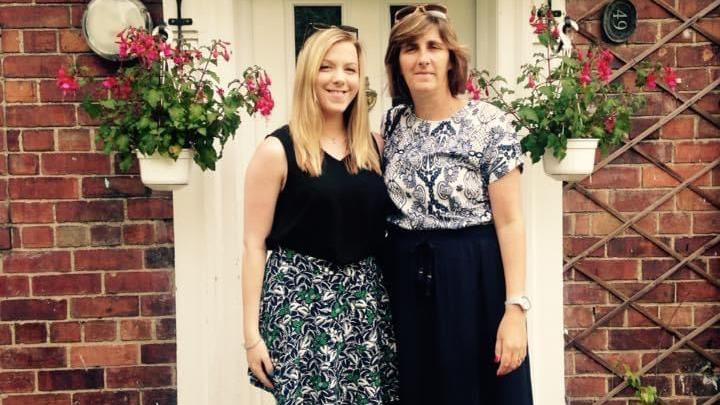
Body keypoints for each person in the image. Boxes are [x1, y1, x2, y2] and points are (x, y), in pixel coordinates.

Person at [380, 4, 534, 404]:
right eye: (410, 48)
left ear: (451, 57)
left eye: (434, 46)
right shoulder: (391, 124)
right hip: (407, 285)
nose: (423, 57)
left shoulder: (490, 124)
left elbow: (511, 223)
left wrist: (515, 309)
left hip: (474, 280)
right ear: (398, 61)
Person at [241, 26, 399, 405]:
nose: (339, 79)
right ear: (308, 73)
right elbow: (252, 244)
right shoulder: (277, 151)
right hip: (300, 306)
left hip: (367, 305)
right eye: (327, 67)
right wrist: (251, 336)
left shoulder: (376, 147)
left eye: (349, 69)